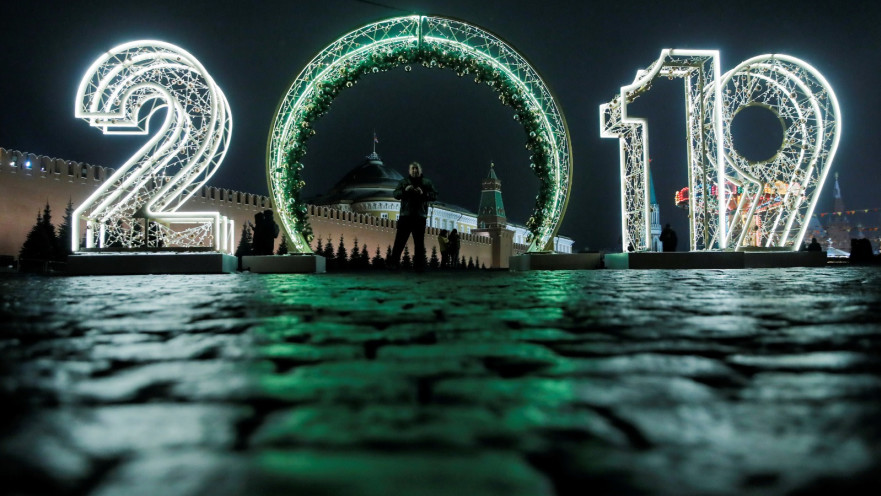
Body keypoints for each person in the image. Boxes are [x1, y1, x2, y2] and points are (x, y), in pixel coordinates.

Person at [390, 161, 437, 271]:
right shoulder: (403, 182)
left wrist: (423, 193)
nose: (415, 171)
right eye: (413, 169)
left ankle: (419, 266)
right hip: (405, 216)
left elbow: (434, 195)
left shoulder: (427, 183)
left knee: (419, 243)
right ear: (409, 171)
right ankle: (393, 263)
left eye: (416, 169)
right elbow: (395, 194)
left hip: (420, 216)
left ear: (420, 170)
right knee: (399, 241)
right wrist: (405, 190)